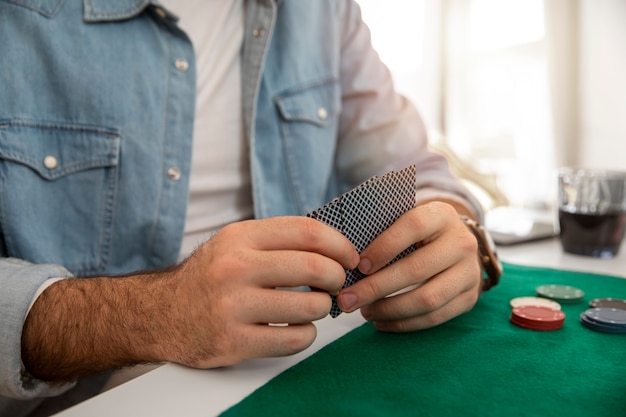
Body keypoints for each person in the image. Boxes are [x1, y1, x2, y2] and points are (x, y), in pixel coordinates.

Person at [0, 1, 488, 415]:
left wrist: (450, 219)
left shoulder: (324, 11)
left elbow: (415, 166)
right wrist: (156, 313)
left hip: (307, 367)